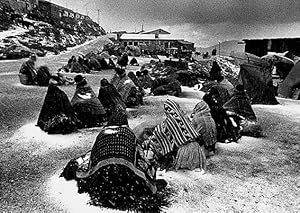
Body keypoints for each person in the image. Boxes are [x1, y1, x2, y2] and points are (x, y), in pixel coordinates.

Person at [60, 109, 170, 212]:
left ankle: (107, 190)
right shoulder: (129, 134)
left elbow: (94, 155)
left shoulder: (102, 133)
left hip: (102, 175)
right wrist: (149, 173)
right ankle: (127, 190)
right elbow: (140, 155)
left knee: (100, 176)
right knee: (138, 172)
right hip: (126, 177)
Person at [142, 99, 206, 172]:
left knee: (167, 146)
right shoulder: (185, 118)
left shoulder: (169, 122)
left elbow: (160, 135)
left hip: (184, 154)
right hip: (197, 151)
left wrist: (149, 141)